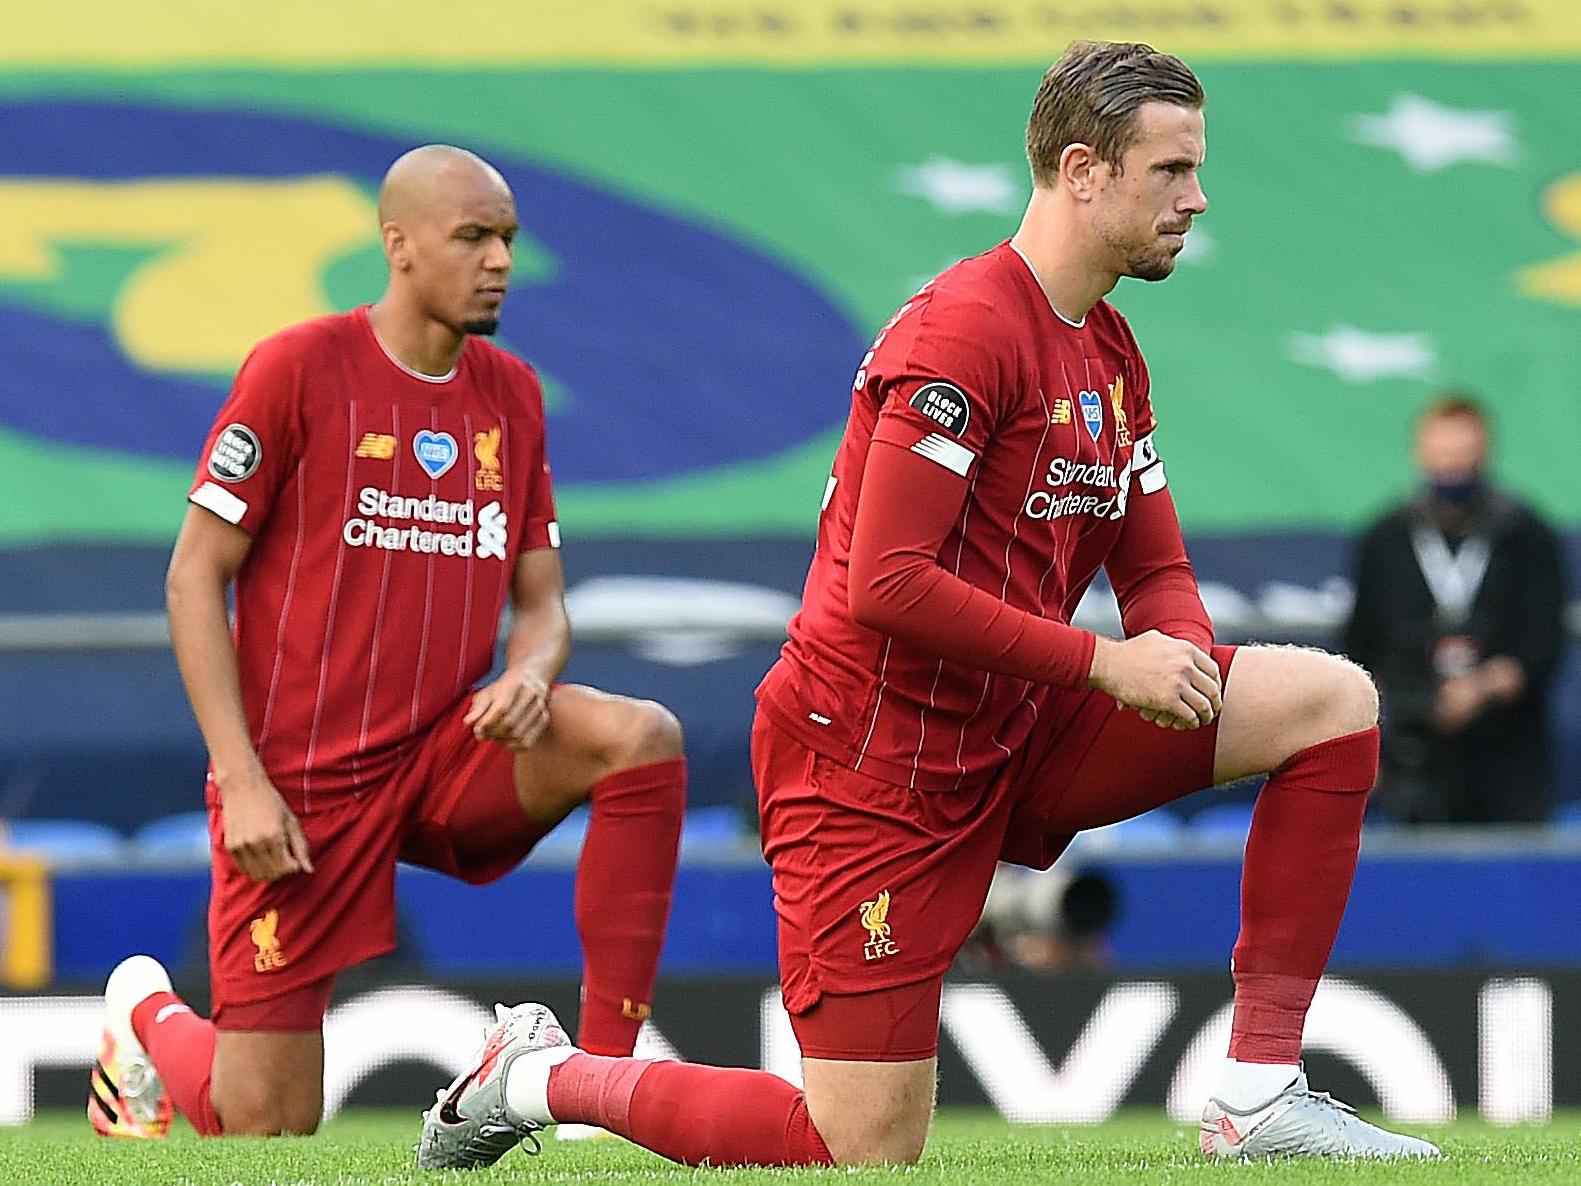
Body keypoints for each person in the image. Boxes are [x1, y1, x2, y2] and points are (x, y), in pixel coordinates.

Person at [416, 42, 1439, 1167]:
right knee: (858, 1148)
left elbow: (1153, 566)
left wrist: (1179, 652)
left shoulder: (1107, 350)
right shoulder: (964, 328)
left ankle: (1257, 1092)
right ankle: (536, 1075)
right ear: (1085, 171)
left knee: (1328, 701)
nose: (1196, 197)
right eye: (1173, 170)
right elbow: (887, 583)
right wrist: (1110, 667)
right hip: (872, 763)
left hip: (1020, 724)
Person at [87, 145, 688, 1140]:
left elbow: (542, 606)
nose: (499, 259)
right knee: (264, 1125)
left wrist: (531, 671)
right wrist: (240, 777)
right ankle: (142, 1009)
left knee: (642, 736)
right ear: (398, 245)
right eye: (474, 237)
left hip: (451, 752)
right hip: (300, 789)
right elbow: (194, 575)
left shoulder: (514, 396)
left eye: (507, 239)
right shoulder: (298, 370)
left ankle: (593, 1088)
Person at [1343, 396, 1566, 824]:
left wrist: (1480, 689)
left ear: (1484, 453)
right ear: (1421, 452)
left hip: (1508, 755)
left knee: (1507, 881)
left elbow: (1543, 646)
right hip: (1413, 751)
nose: (1452, 468)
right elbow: (1361, 646)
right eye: (1443, 454)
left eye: (1463, 455)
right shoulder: (1385, 538)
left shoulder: (1527, 537)